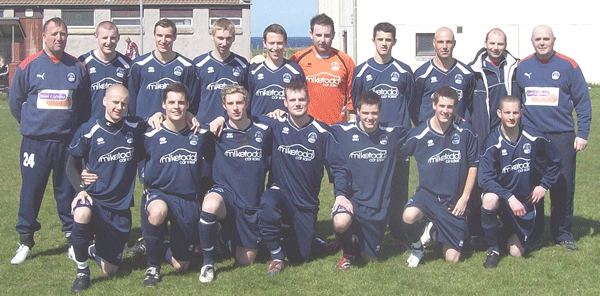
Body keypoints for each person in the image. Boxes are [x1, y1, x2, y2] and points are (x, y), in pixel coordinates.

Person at [8, 17, 90, 265]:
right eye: (54, 33)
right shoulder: (29, 65)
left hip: (66, 144)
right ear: (44, 36)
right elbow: (15, 102)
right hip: (36, 143)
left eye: (63, 34)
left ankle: (72, 240)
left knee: (67, 192)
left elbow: (83, 107)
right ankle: (25, 241)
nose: (59, 38)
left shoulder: (77, 67)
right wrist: (33, 124)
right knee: (31, 191)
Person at [257, 80, 348, 275]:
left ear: (308, 100)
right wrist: (221, 119)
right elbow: (244, 118)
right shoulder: (275, 125)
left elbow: (338, 166)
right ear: (285, 102)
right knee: (266, 204)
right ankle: (276, 256)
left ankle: (306, 238)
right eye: (292, 100)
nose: (297, 103)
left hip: (305, 201)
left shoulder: (322, 132)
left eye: (301, 99)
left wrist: (340, 194)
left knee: (301, 257)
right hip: (280, 191)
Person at [515, 25, 592, 250]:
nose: (542, 42)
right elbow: (515, 102)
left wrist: (583, 133)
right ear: (532, 41)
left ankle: (562, 233)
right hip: (532, 137)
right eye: (538, 39)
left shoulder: (569, 66)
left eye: (546, 39)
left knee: (563, 186)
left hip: (562, 136)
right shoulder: (522, 66)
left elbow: (583, 102)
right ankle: (535, 232)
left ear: (553, 40)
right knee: (533, 186)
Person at [65, 84, 145, 292]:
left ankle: (87, 248)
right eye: (115, 102)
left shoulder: (135, 128)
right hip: (94, 198)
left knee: (110, 271)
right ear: (104, 101)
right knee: (81, 213)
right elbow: (71, 166)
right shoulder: (88, 130)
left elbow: (161, 128)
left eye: (124, 104)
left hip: (119, 206)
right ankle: (82, 272)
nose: (119, 107)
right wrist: (80, 189)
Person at [198, 85, 272, 282]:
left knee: (246, 260)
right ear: (224, 106)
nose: (236, 108)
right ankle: (207, 263)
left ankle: (223, 236)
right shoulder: (215, 131)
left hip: (250, 200)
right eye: (230, 104)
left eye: (239, 102)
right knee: (210, 204)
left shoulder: (264, 130)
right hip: (226, 194)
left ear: (247, 103)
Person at [478, 96, 561, 268]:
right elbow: (484, 178)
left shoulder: (533, 136)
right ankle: (493, 249)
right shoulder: (492, 142)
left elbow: (556, 160)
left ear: (521, 113)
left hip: (523, 202)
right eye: (507, 112)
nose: (511, 117)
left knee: (516, 253)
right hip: (503, 199)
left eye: (515, 112)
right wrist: (508, 196)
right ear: (499, 113)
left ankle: (500, 230)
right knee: (489, 199)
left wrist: (543, 185)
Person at [350, 22, 413, 250]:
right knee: (369, 187)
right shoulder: (362, 71)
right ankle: (362, 230)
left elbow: (411, 102)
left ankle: (398, 233)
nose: (384, 43)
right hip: (370, 140)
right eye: (380, 39)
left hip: (397, 141)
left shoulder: (404, 71)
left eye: (388, 39)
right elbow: (356, 103)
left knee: (397, 189)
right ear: (373, 40)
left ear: (394, 42)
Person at [401, 86, 478, 267]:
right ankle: (418, 247)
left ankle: (434, 232)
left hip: (453, 201)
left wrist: (464, 198)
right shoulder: (419, 134)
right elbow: (397, 153)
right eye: (441, 106)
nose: (445, 111)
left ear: (455, 108)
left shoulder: (466, 131)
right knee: (408, 216)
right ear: (434, 105)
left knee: (452, 259)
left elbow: (474, 165)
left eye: (450, 107)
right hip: (427, 196)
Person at [330, 90, 409, 269]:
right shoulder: (341, 131)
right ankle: (348, 250)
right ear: (357, 111)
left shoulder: (392, 133)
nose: (370, 117)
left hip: (377, 207)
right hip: (352, 201)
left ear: (380, 112)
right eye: (365, 113)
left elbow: (424, 131)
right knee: (341, 222)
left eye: (374, 113)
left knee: (370, 259)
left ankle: (357, 238)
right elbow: (313, 127)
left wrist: (453, 118)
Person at [141, 82, 209, 287]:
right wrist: (86, 169)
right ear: (163, 105)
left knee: (182, 266)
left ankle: (154, 245)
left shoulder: (200, 134)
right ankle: (152, 266)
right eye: (171, 102)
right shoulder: (148, 133)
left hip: (187, 199)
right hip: (158, 193)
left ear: (188, 104)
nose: (176, 107)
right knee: (158, 211)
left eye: (181, 102)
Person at [466, 28, 520, 250]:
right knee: (479, 184)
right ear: (485, 43)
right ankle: (477, 233)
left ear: (505, 45)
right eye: (492, 43)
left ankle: (511, 229)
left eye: (500, 44)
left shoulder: (515, 69)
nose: (496, 48)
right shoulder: (473, 72)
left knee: (511, 180)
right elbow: (465, 106)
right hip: (482, 139)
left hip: (510, 138)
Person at [291, 13, 356, 125]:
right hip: (307, 126)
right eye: (318, 35)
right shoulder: (298, 59)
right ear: (311, 34)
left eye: (326, 35)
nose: (322, 40)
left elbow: (353, 94)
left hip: (336, 127)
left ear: (333, 35)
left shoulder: (345, 61)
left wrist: (353, 121)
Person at [128, 19, 197, 120]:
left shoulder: (187, 67)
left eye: (168, 36)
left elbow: (192, 100)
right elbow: (131, 99)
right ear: (154, 36)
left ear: (174, 37)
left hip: (175, 127)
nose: (163, 40)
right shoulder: (138, 65)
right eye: (159, 35)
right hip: (144, 126)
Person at [411, 27, 475, 125]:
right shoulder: (422, 74)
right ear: (434, 43)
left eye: (448, 42)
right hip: (429, 133)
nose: (444, 46)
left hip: (456, 132)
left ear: (454, 44)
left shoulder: (466, 73)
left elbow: (470, 104)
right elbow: (413, 106)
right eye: (440, 42)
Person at [193, 18, 249, 124]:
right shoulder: (199, 63)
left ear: (233, 39)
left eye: (228, 38)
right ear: (212, 36)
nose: (224, 43)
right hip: (205, 124)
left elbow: (247, 98)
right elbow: (192, 97)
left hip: (233, 125)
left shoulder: (242, 64)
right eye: (220, 38)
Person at [248, 24, 305, 116]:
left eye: (279, 43)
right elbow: (245, 102)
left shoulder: (295, 71)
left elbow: (302, 102)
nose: (275, 48)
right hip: (258, 126)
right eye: (271, 43)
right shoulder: (253, 70)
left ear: (285, 43)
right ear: (264, 43)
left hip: (286, 127)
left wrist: (287, 114)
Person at [79, 21, 131, 119]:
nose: (108, 42)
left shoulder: (127, 64)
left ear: (118, 38)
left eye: (112, 38)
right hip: (90, 125)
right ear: (96, 37)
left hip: (117, 126)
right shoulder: (84, 62)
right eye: (104, 38)